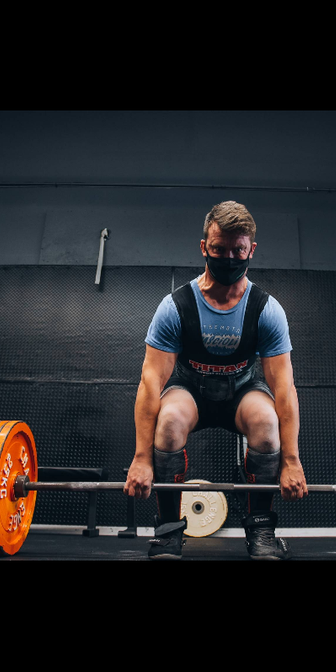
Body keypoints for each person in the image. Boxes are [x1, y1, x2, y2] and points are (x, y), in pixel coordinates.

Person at [123, 201, 307, 560]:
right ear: (204, 246)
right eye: (219, 249)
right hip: (191, 391)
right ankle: (167, 531)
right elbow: (150, 384)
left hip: (242, 391)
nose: (228, 258)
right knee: (170, 420)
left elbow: (283, 388)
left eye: (238, 250)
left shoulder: (266, 309)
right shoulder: (175, 307)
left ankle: (262, 532)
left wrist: (292, 459)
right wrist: (142, 458)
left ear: (251, 249)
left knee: (267, 421)